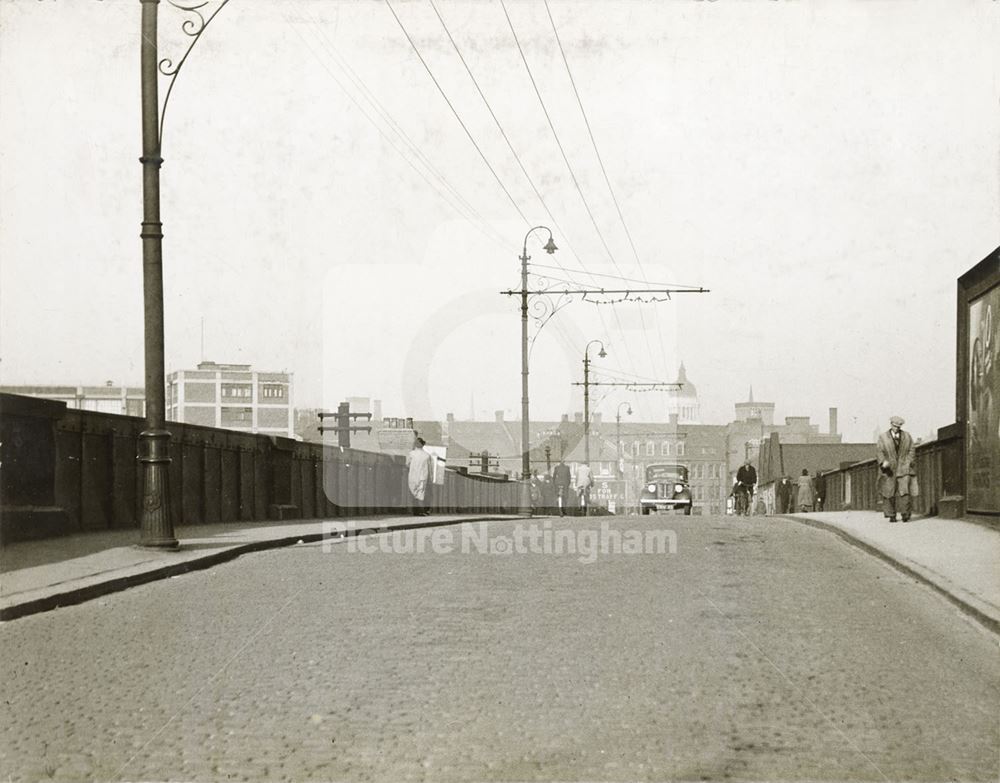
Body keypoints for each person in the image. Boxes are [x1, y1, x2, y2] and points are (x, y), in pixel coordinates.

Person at [876, 415, 918, 523]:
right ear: (891, 424)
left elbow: (912, 449)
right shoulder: (883, 437)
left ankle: (905, 515)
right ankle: (891, 515)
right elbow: (879, 451)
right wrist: (883, 462)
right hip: (889, 468)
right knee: (888, 492)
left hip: (904, 467)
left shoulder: (907, 436)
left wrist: (908, 462)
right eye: (895, 426)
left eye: (899, 426)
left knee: (905, 492)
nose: (897, 428)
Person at [405, 436, 433, 516]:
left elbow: (407, 464)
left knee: (414, 493)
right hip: (423, 477)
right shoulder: (427, 455)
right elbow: (430, 469)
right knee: (421, 493)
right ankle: (421, 511)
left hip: (413, 476)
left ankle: (415, 511)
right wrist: (430, 479)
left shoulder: (411, 454)